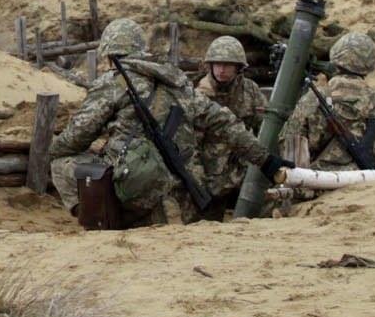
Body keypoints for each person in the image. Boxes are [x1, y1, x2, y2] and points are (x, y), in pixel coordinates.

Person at [48, 18, 290, 227]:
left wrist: (53, 149)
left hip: (132, 185)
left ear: (110, 54)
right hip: (179, 189)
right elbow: (224, 122)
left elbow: (76, 136)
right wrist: (266, 160)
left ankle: (97, 221)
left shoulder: (112, 83)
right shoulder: (178, 82)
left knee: (60, 161)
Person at [289, 32, 375, 170]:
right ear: (370, 64)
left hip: (320, 183)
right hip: (371, 183)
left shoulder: (313, 99)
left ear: (335, 55)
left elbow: (292, 146)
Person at [193, 35, 266, 213]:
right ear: (209, 66)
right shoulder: (198, 93)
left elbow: (264, 127)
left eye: (228, 64)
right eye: (217, 64)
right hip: (210, 177)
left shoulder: (250, 90)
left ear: (238, 67)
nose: (222, 70)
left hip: (244, 171)